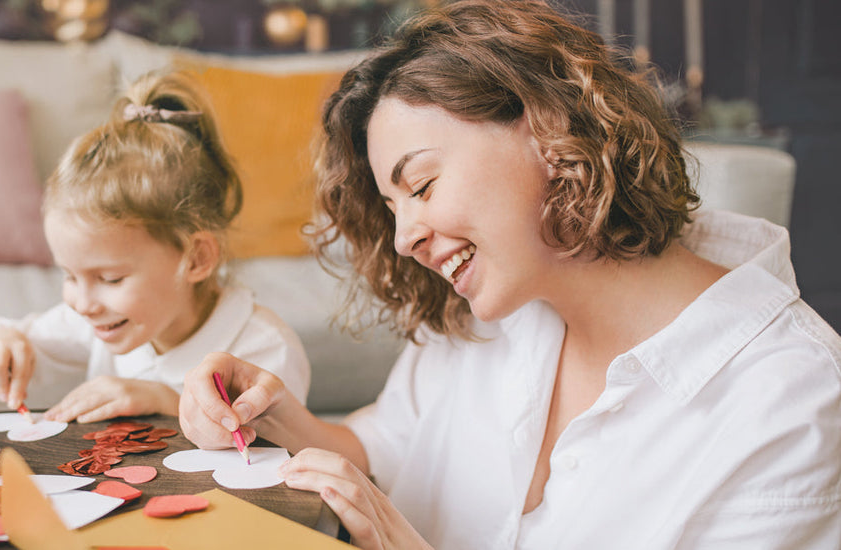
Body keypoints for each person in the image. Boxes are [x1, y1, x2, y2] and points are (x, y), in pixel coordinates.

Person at [178, 1, 841, 548]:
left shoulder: (790, 407)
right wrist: (266, 414)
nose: (405, 238)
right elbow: (386, 443)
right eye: (391, 207)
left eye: (423, 183)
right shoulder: (488, 309)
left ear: (550, 128)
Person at [0, 71, 310, 423]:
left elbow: (277, 456)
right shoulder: (101, 320)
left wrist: (163, 400)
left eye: (110, 278)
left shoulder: (264, 349)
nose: (82, 304)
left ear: (196, 258)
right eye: (69, 275)